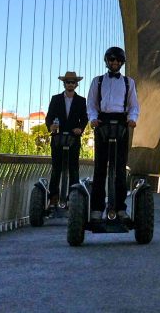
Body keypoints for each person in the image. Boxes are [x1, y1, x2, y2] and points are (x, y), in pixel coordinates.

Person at [86, 46, 140, 221]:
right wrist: (93, 119)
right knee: (100, 168)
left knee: (119, 167)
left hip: (122, 124)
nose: (114, 63)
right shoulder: (98, 81)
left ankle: (120, 208)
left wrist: (132, 119)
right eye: (111, 60)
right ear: (107, 61)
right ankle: (96, 208)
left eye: (117, 60)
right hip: (102, 122)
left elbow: (134, 105)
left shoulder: (128, 82)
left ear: (122, 62)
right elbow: (92, 104)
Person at [45, 71, 88, 211]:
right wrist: (50, 126)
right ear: (64, 84)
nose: (70, 84)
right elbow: (49, 117)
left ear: (76, 84)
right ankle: (53, 199)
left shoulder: (81, 101)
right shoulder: (55, 99)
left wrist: (80, 129)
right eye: (68, 82)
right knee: (56, 169)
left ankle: (73, 199)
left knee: (73, 169)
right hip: (58, 138)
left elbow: (85, 118)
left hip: (73, 139)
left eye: (72, 82)